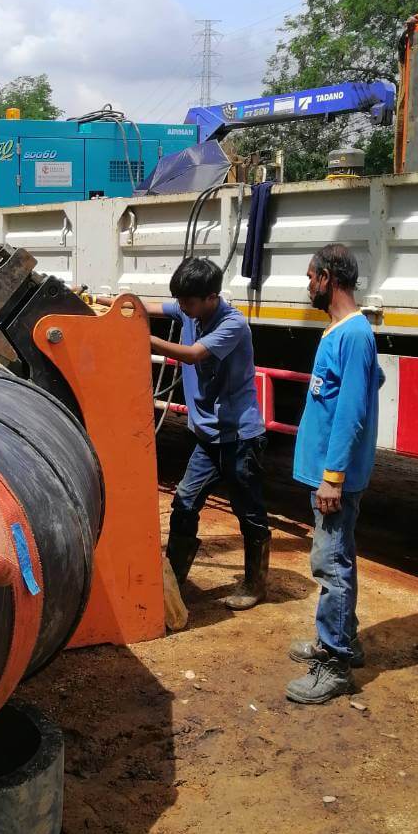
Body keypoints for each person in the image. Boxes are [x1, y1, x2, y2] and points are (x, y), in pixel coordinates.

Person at [286, 243, 383, 704]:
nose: (307, 286)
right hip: (327, 472)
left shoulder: (354, 334)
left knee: (331, 566)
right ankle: (344, 640)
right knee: (339, 556)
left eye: (310, 277)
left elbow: (350, 414)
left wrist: (334, 478)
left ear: (328, 278)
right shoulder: (342, 332)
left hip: (333, 478)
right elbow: (370, 383)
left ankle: (334, 662)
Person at [147, 257, 270, 609]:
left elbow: (192, 355)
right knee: (184, 502)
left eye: (189, 302)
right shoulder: (191, 309)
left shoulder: (233, 325)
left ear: (211, 297)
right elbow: (146, 306)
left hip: (238, 437)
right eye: (181, 302)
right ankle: (172, 579)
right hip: (207, 438)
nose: (183, 309)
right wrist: (108, 305)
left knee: (249, 512)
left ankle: (255, 584)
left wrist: (147, 337)